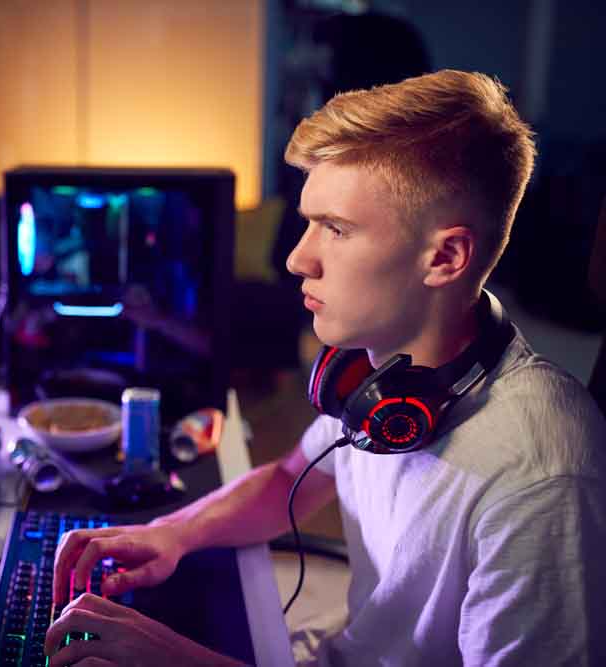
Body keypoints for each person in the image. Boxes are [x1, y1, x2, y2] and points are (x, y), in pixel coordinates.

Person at [43, 69, 606, 667]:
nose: (296, 258)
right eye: (310, 223)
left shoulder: (543, 479)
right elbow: (289, 479)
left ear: (444, 257)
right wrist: (170, 532)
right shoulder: (382, 383)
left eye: (335, 229)